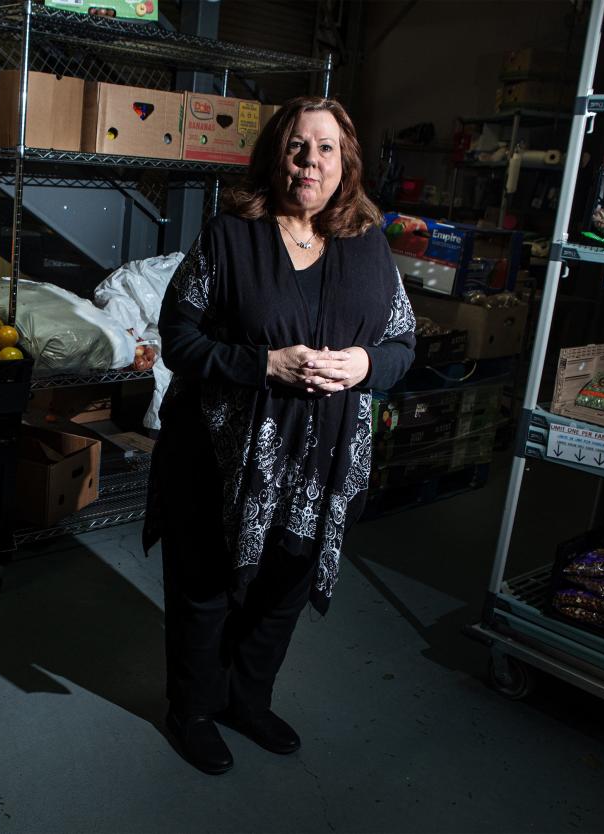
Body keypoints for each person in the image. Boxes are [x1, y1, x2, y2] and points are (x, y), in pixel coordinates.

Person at [144, 96, 417, 775]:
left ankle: (248, 699)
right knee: (206, 588)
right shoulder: (230, 236)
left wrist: (365, 365)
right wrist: (260, 364)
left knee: (283, 587)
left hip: (317, 465)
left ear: (345, 162)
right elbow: (178, 337)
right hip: (218, 455)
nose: (310, 163)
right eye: (298, 147)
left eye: (326, 149)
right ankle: (194, 710)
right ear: (275, 155)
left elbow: (404, 340)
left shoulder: (367, 244)